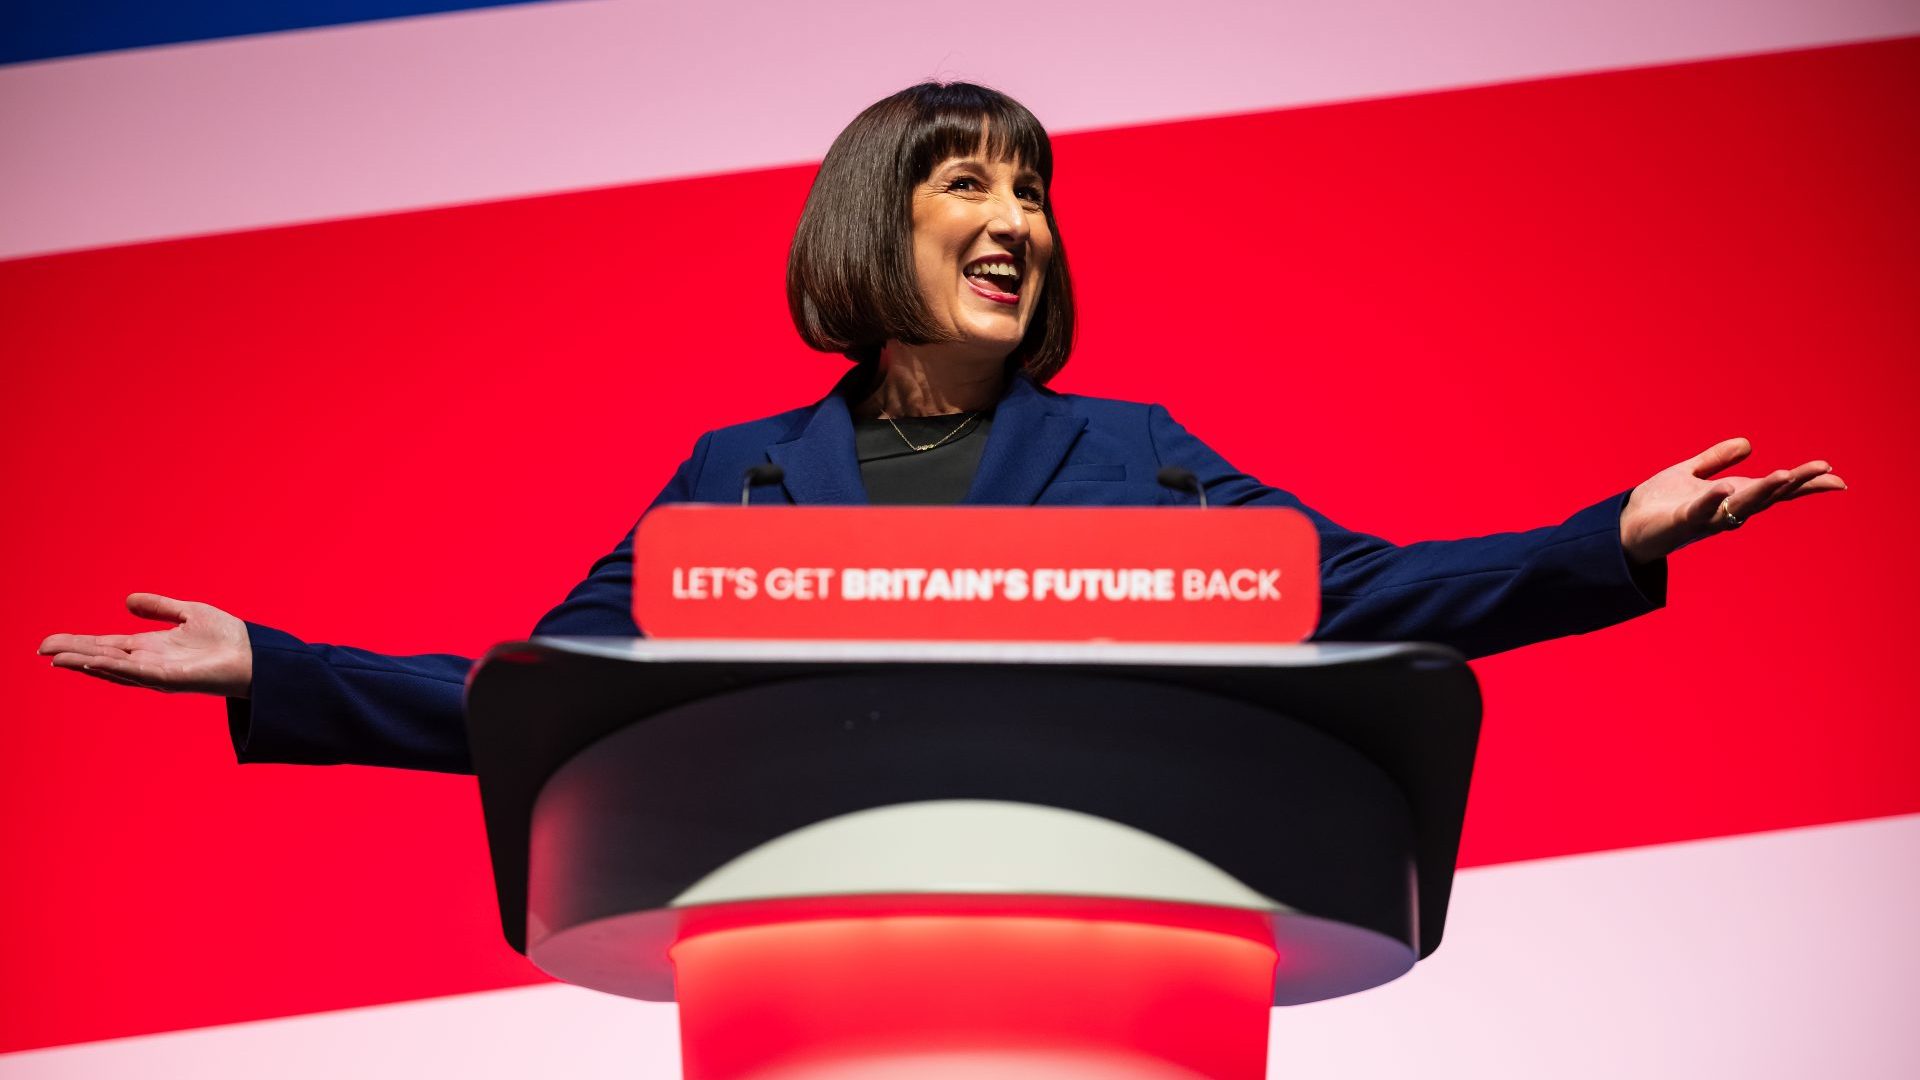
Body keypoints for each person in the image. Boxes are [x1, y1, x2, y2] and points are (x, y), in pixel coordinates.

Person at [37, 82, 1844, 774]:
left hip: (1104, 961)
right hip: (815, 970)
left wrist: (1607, 534)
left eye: (1038, 190)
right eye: (966, 183)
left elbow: (1363, 597)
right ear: (867, 226)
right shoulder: (738, 483)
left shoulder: (1138, 459)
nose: (1017, 218)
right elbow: (539, 692)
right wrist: (274, 666)